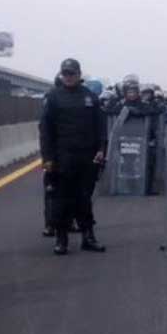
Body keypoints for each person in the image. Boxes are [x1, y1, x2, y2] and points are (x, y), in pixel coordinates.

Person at [39, 58, 108, 255]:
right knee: (61, 199)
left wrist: (101, 149)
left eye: (72, 73)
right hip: (62, 157)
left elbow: (101, 127)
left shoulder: (90, 98)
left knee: (84, 199)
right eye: (65, 74)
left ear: (79, 75)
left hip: (87, 157)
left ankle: (88, 237)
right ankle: (61, 240)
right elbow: (45, 131)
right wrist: (47, 159)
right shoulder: (53, 98)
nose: (68, 77)